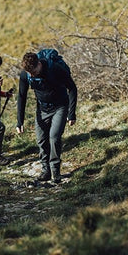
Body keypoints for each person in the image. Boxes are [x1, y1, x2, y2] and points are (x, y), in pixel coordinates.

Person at [16, 50, 77, 183]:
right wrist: (19, 121)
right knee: (41, 140)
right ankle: (46, 171)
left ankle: (56, 171)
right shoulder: (26, 75)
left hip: (60, 106)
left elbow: (72, 88)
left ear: (39, 64)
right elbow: (22, 96)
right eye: (30, 73)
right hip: (42, 108)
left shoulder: (55, 69)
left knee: (54, 137)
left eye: (34, 72)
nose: (32, 75)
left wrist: (71, 114)